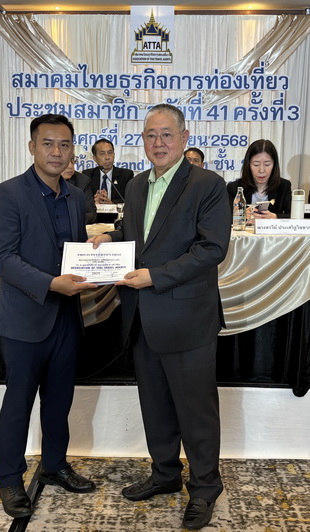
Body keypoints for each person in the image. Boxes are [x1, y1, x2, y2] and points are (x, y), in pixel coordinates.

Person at [89, 104, 232, 530]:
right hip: (142, 316)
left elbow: (211, 249)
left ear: (184, 138)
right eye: (151, 135)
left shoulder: (208, 184)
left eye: (167, 134)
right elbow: (141, 237)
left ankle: (204, 488)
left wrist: (156, 276)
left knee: (195, 411)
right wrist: (110, 239)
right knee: (155, 406)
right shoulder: (136, 185)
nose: (158, 142)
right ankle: (165, 475)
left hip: (187, 316)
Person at [0, 114, 98, 519]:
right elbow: (2, 258)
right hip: (24, 318)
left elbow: (73, 251)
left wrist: (95, 255)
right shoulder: (8, 193)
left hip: (66, 317)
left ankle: (54, 465)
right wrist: (52, 284)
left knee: (59, 402)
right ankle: (9, 479)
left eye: (65, 144)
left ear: (72, 150)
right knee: (18, 403)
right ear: (32, 147)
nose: (57, 152)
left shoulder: (75, 196)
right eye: (48, 143)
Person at [227, 139, 292, 219]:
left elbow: (294, 217)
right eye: (256, 164)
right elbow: (224, 217)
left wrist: (274, 217)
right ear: (248, 164)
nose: (261, 170)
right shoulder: (234, 188)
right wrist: (241, 216)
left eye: (267, 164)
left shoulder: (284, 186)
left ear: (274, 165)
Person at [84, 138, 134, 203]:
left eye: (110, 153)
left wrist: (111, 203)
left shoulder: (126, 175)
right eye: (102, 154)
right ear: (95, 158)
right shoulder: (87, 176)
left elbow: (130, 200)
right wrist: (94, 202)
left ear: (114, 155)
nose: (107, 157)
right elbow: (83, 200)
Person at [61, 157, 97, 224]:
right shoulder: (42, 181)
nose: (70, 166)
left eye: (72, 160)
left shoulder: (82, 181)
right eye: (65, 161)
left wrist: (70, 221)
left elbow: (91, 214)